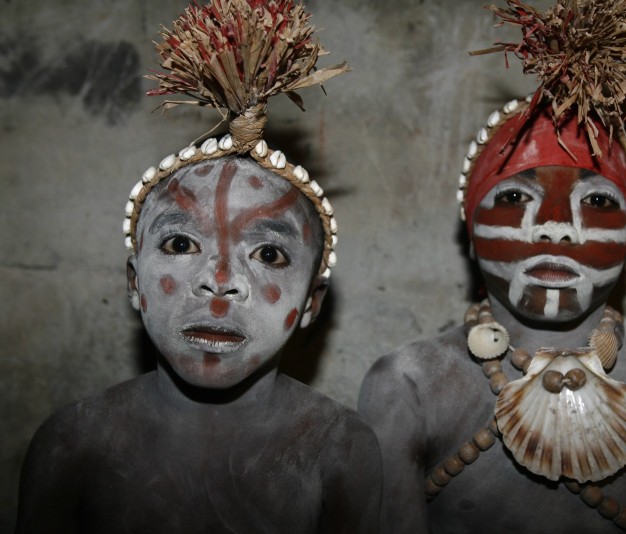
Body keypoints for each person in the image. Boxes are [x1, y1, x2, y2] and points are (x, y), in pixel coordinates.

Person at [358, 1, 626, 532]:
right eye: (517, 195)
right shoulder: (408, 385)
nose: (554, 225)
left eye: (596, 202)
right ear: (469, 232)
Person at [16, 2, 380, 532]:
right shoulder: (73, 442)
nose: (221, 280)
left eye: (269, 254)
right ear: (134, 282)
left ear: (311, 305)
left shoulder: (342, 449)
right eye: (182, 243)